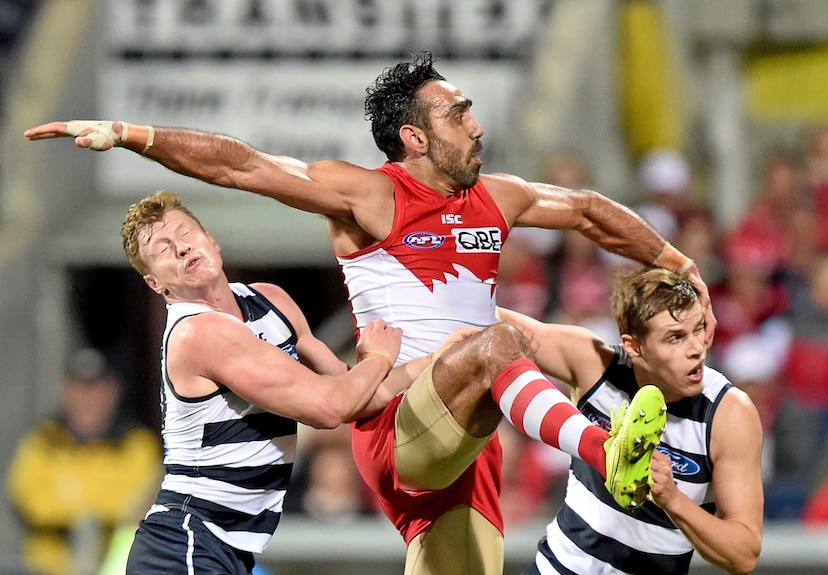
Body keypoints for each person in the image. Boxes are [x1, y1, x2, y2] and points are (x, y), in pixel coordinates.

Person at [25, 51, 714, 575]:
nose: (477, 125)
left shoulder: (497, 198)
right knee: (506, 339)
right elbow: (241, 167)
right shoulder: (367, 198)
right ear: (415, 138)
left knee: (516, 346)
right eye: (458, 114)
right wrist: (129, 132)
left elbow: (591, 211)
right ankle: (605, 450)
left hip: (465, 427)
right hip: (398, 421)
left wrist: (678, 264)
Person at [114, 189, 416, 574]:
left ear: (212, 241)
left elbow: (352, 389)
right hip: (187, 542)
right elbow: (330, 407)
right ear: (157, 286)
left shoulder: (270, 300)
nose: (181, 249)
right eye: (162, 249)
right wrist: (379, 357)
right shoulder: (197, 334)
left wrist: (439, 361)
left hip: (224, 547)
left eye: (185, 233)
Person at [497, 268, 763, 575]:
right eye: (675, 338)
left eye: (699, 329)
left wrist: (672, 499)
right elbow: (492, 324)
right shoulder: (593, 364)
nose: (696, 349)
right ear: (633, 346)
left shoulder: (728, 413)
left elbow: (744, 554)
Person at [6, 347, 163, 575]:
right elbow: (26, 497)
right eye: (79, 388)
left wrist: (75, 506)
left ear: (112, 392)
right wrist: (88, 512)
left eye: (94, 389)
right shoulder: (43, 441)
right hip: (46, 569)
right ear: (65, 392)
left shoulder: (136, 444)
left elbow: (138, 504)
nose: (86, 399)